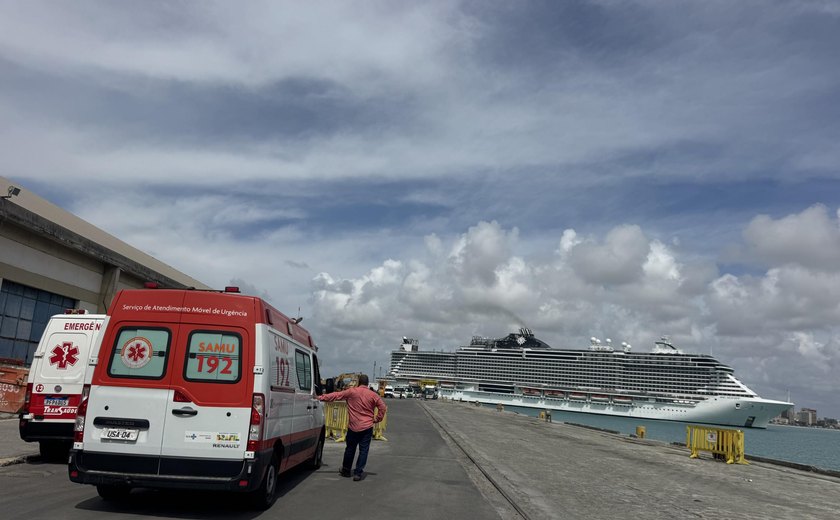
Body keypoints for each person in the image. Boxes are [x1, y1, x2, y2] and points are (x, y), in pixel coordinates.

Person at [318, 374, 387, 481]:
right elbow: (382, 407)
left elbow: (336, 396)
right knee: (363, 450)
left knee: (350, 449)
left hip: (353, 426)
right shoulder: (373, 395)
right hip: (367, 426)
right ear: (367, 383)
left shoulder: (351, 392)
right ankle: (358, 473)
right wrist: (377, 419)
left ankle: (346, 470)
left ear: (359, 382)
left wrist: (320, 398)